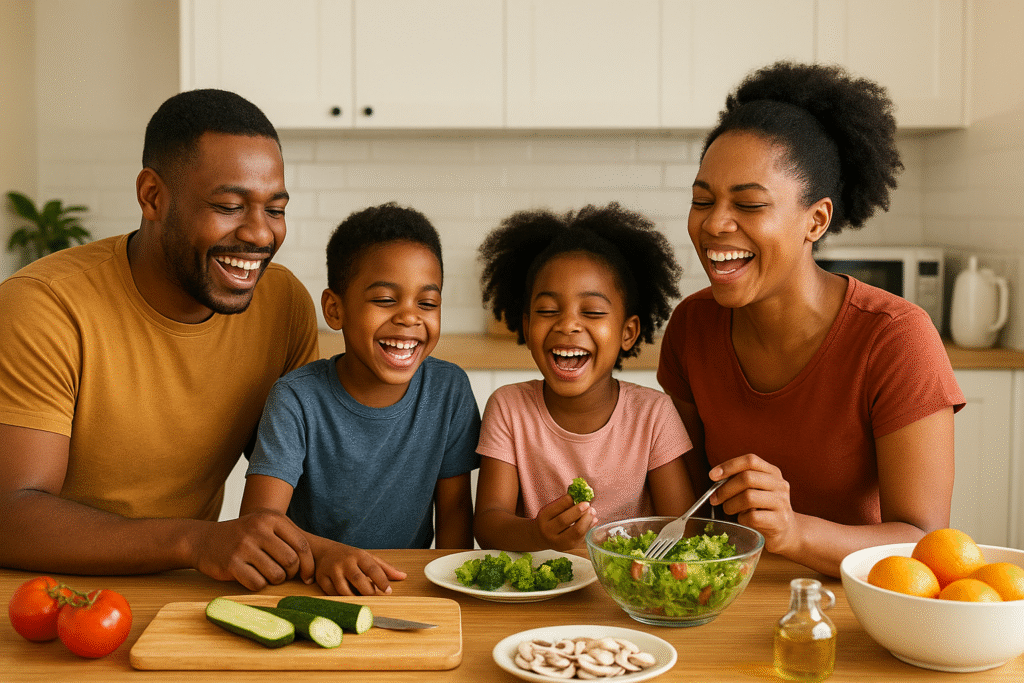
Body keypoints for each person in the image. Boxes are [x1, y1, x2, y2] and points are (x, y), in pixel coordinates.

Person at [0, 89, 321, 590]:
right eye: (229, 205)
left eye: (275, 210)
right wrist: (195, 542)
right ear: (152, 196)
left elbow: (297, 471)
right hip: (46, 596)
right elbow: (10, 517)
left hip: (186, 589)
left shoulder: (283, 306)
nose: (260, 234)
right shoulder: (44, 306)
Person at [657, 61, 965, 577]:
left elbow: (923, 546)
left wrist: (793, 531)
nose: (714, 223)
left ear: (816, 220)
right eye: (701, 200)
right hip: (724, 599)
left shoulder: (893, 338)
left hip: (853, 611)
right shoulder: (692, 326)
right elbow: (687, 510)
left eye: (749, 205)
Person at [240, 203, 481, 595]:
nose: (409, 317)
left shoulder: (448, 390)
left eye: (427, 303)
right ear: (335, 309)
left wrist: (449, 590)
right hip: (312, 584)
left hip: (407, 587)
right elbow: (258, 522)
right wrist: (324, 554)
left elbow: (454, 511)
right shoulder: (295, 399)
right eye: (386, 300)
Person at [474, 202, 695, 551]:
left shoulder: (653, 415)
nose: (568, 325)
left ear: (628, 332)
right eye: (548, 311)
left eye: (592, 311)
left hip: (628, 596)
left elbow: (681, 530)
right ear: (528, 327)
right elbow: (488, 523)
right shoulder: (509, 407)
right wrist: (536, 534)